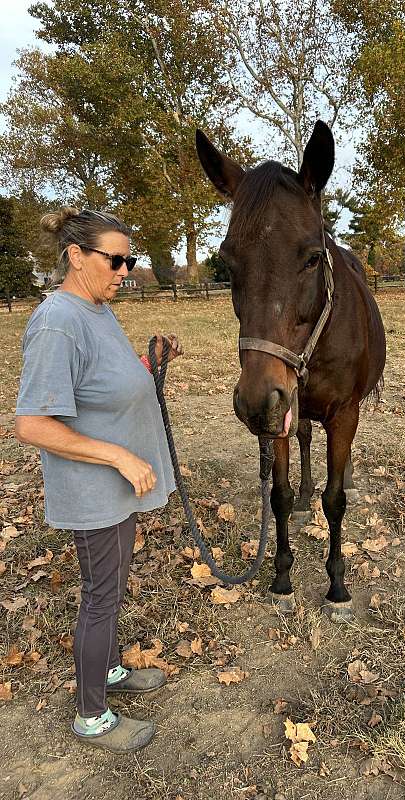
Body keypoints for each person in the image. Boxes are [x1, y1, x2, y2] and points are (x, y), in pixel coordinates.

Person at [15, 207, 183, 753]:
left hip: (117, 485)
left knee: (110, 589)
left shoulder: (96, 309)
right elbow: (32, 423)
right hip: (94, 488)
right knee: (101, 595)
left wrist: (148, 364)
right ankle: (91, 716)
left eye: (129, 261)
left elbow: (99, 381)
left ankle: (109, 669)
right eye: (115, 259)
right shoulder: (57, 321)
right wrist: (117, 455)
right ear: (76, 257)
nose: (125, 270)